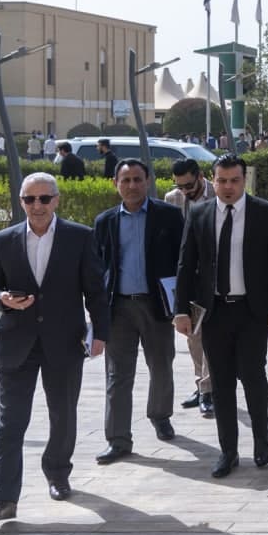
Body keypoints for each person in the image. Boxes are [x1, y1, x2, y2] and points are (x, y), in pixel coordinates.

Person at [0, 173, 109, 521]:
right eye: (29, 199)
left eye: (44, 199)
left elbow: (95, 290)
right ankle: (2, 498)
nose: (37, 206)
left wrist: (100, 333)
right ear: (21, 202)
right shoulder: (3, 240)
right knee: (10, 421)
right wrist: (1, 299)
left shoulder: (79, 237)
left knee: (62, 414)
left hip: (64, 342)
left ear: (56, 200)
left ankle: (58, 473)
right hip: (16, 343)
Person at [174, 154, 268, 477]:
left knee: (253, 376)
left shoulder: (264, 212)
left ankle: (261, 438)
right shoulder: (199, 213)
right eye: (222, 181)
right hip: (214, 311)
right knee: (221, 383)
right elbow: (185, 264)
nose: (228, 187)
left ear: (244, 180)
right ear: (212, 181)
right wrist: (180, 310)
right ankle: (228, 451)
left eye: (234, 181)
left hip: (252, 311)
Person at [92, 159, 185, 463]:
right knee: (117, 374)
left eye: (137, 179)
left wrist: (182, 304)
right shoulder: (105, 221)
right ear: (115, 184)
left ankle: (160, 415)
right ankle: (118, 439)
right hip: (118, 307)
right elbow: (97, 266)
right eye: (125, 180)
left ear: (148, 181)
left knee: (161, 364)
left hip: (155, 304)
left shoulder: (169, 216)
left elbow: (184, 261)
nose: (131, 185)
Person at [164, 159, 216, 417]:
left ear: (200, 177)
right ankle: (202, 385)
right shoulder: (172, 199)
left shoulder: (217, 193)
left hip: (214, 277)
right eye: (180, 186)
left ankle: (208, 389)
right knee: (193, 335)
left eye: (189, 186)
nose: (185, 191)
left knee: (211, 335)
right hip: (186, 278)